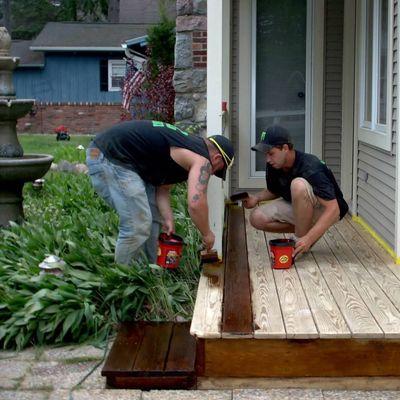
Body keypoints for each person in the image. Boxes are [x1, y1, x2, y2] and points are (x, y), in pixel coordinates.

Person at [86, 119, 234, 266]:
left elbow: (162, 188)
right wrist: (207, 234)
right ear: (217, 158)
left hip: (127, 162)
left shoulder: (186, 146)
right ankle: (124, 279)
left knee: (153, 222)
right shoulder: (202, 159)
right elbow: (196, 203)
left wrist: (168, 217)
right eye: (218, 170)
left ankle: (148, 270)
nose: (213, 173)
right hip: (108, 155)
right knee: (138, 224)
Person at [243, 125, 348, 258]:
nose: (267, 159)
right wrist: (256, 198)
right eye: (266, 155)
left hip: (327, 208)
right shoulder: (275, 164)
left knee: (298, 185)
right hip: (301, 206)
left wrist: (308, 239)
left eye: (271, 153)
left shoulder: (311, 166)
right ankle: (305, 229)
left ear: (285, 148)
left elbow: (334, 209)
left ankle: (299, 241)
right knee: (256, 218)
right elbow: (275, 190)